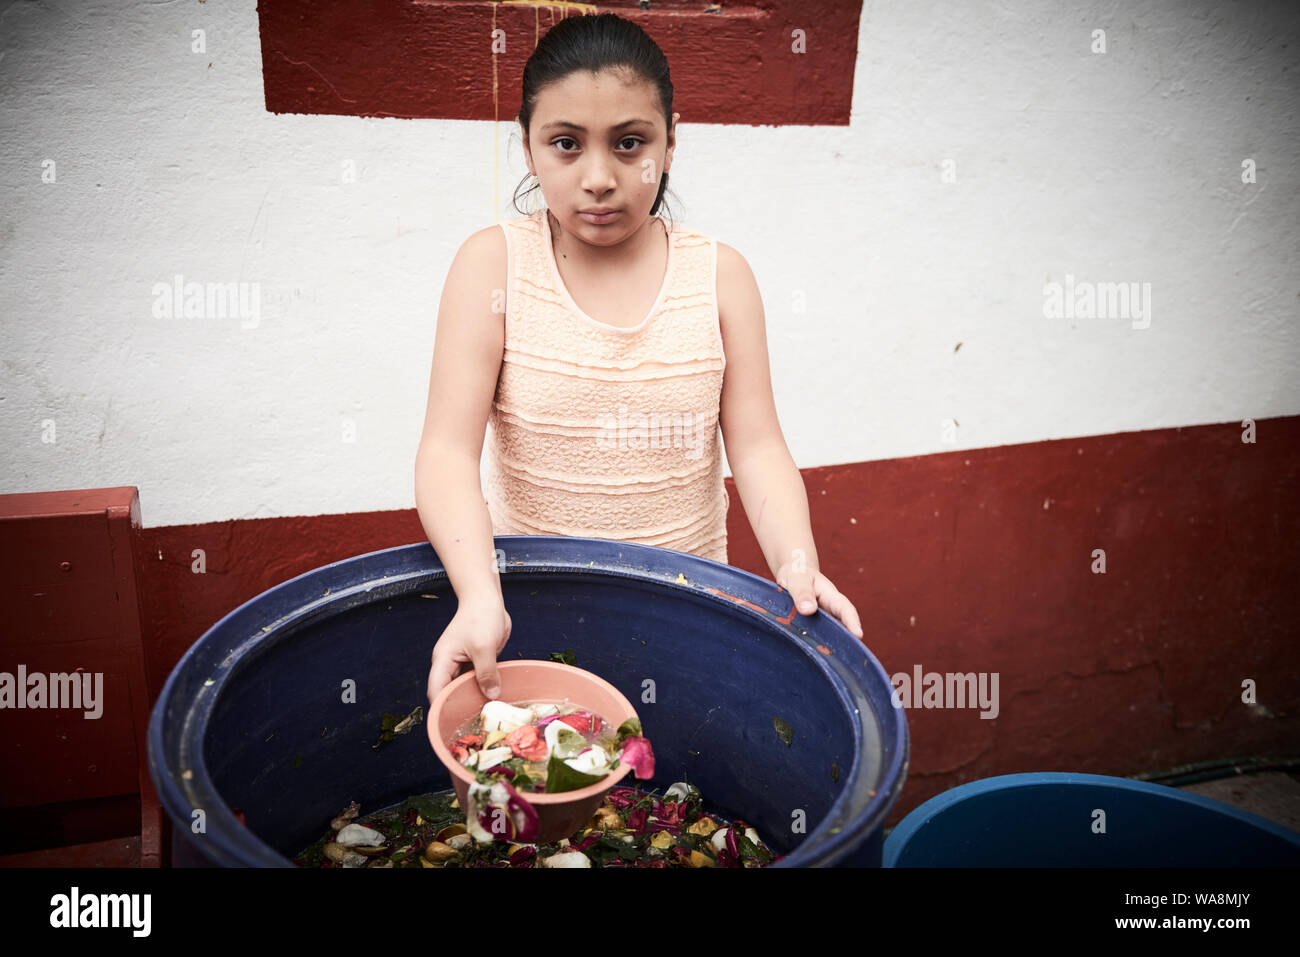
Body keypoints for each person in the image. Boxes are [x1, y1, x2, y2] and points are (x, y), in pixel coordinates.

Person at [415, 12, 863, 706]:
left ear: (671, 142)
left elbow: (759, 445)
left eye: (629, 143)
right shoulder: (494, 267)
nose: (599, 178)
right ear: (528, 148)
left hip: (686, 623)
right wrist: (479, 598)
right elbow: (446, 451)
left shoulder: (720, 276)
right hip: (526, 628)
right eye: (566, 144)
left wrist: (797, 563)